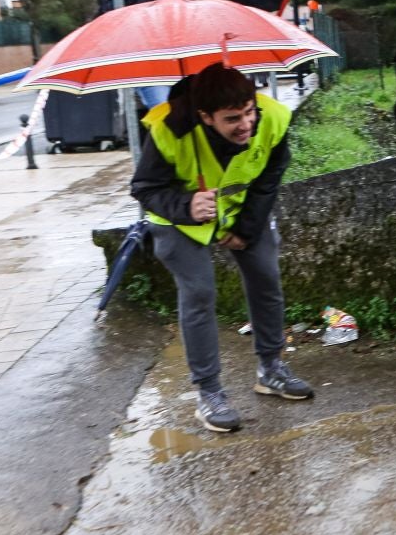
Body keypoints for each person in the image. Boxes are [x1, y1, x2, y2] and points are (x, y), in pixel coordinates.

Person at [130, 63, 311, 433]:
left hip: (240, 213)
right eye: (233, 119)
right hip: (179, 221)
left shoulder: (272, 118)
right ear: (206, 117)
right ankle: (209, 392)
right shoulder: (168, 130)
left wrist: (245, 229)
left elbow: (269, 177)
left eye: (249, 112)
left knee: (266, 280)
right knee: (199, 293)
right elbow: (145, 188)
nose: (246, 124)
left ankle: (271, 369)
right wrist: (186, 207)